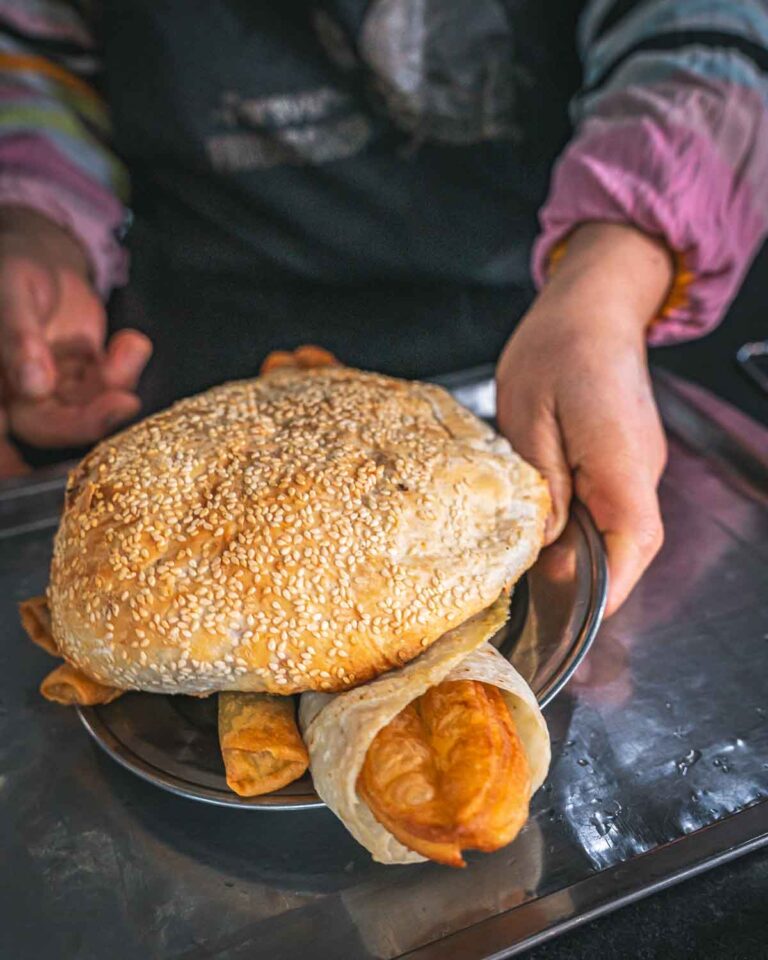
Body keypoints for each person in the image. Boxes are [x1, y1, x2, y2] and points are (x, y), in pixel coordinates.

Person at [0, 2, 766, 615]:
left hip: (539, 364)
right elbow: (39, 71)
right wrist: (40, 228)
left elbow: (706, 36)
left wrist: (604, 289)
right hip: (188, 412)